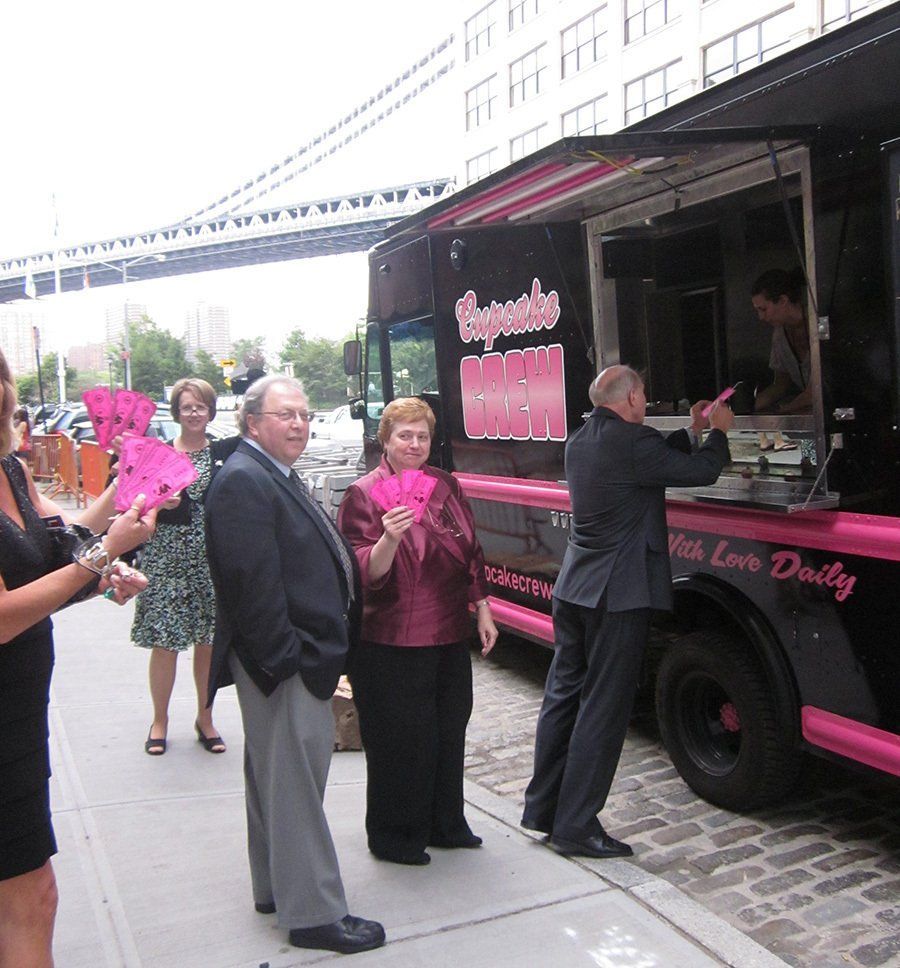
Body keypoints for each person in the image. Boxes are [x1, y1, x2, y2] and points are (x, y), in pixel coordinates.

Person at [204, 375, 384, 956]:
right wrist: (292, 661)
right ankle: (312, 913)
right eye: (286, 415)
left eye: (305, 415)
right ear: (252, 421)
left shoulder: (268, 474)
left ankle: (274, 888)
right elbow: (251, 588)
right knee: (297, 789)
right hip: (284, 664)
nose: (300, 425)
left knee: (274, 784)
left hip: (289, 659)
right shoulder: (243, 482)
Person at [521, 365, 733, 859]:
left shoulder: (582, 439)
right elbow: (701, 472)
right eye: (645, 393)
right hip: (618, 593)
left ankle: (545, 809)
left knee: (564, 696)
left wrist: (691, 431)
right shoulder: (634, 445)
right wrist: (719, 434)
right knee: (603, 707)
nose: (645, 400)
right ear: (634, 396)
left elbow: (652, 458)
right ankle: (576, 826)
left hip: (576, 587)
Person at [0, 347, 156, 968]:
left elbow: (57, 546)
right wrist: (101, 558)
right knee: (32, 896)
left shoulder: (11, 473)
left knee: (25, 895)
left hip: (19, 713)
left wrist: (124, 493)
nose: (24, 429)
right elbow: (5, 617)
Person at [337, 397, 498, 867]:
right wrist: (389, 537)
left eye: (422, 435)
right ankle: (395, 835)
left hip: (448, 631)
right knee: (400, 741)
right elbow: (363, 573)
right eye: (404, 435)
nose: (414, 444)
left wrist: (483, 607)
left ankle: (445, 823)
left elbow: (471, 551)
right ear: (385, 440)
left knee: (449, 729)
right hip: (390, 640)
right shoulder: (364, 494)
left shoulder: (445, 484)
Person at [132, 378, 239, 755]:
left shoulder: (225, 453)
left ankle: (205, 717)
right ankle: (159, 720)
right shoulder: (158, 453)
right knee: (165, 642)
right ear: (176, 411)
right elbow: (134, 502)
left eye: (201, 406)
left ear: (210, 411)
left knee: (208, 643)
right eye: (187, 406)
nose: (194, 413)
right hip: (168, 557)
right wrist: (160, 505)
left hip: (210, 556)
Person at [751, 267, 811, 451]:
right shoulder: (779, 335)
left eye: (763, 309)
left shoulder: (819, 325)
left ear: (783, 300)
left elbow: (816, 391)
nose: (761, 317)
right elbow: (780, 384)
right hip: (808, 422)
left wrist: (782, 411)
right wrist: (748, 406)